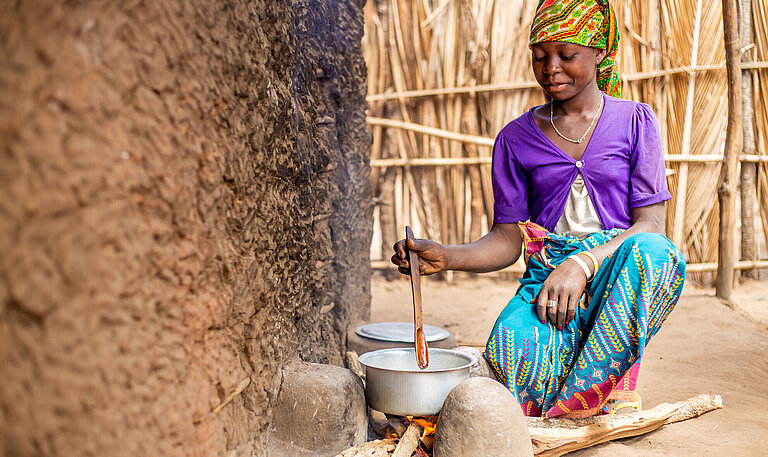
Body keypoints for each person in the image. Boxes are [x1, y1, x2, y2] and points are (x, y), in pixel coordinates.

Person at [391, 0, 685, 418]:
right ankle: (588, 392)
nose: (551, 68)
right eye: (540, 56)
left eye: (567, 55)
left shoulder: (636, 121)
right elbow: (507, 241)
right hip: (549, 280)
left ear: (599, 51)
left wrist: (583, 264)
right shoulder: (515, 138)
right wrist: (447, 256)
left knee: (658, 254)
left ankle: (583, 401)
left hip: (614, 273)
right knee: (511, 350)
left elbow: (651, 225)